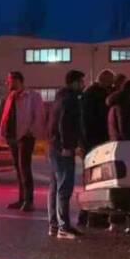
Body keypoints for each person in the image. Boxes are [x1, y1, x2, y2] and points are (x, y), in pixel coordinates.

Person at [0, 71, 45, 212]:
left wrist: (31, 131)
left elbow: (39, 115)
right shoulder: (11, 97)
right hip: (12, 135)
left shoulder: (32, 96)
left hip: (25, 136)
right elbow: (6, 115)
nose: (8, 83)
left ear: (18, 81)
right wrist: (2, 131)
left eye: (10, 80)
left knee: (24, 168)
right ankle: (21, 199)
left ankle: (29, 201)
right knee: (18, 169)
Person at [48, 70, 86, 239]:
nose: (83, 85)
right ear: (74, 83)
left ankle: (54, 225)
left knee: (55, 187)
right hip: (62, 148)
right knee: (64, 187)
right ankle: (64, 227)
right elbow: (65, 123)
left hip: (54, 145)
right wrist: (67, 145)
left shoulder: (59, 98)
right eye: (81, 82)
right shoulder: (70, 99)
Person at [82, 69, 115, 152]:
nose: (112, 85)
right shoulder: (97, 94)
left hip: (93, 135)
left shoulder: (90, 92)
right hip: (96, 135)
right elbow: (91, 117)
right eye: (110, 82)